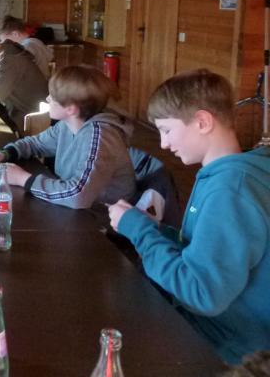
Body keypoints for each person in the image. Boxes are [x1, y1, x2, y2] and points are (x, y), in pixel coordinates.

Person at [107, 69, 270, 364]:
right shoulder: (230, 173)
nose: (163, 144)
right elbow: (206, 250)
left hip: (230, 351)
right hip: (225, 332)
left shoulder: (229, 190)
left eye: (166, 130)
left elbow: (201, 293)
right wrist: (158, 230)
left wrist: (138, 229)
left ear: (203, 122)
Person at [0, 65, 135, 209]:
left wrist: (23, 179)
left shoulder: (100, 136)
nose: (47, 99)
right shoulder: (67, 124)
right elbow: (35, 144)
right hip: (76, 209)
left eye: (53, 97)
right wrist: (2, 155)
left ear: (71, 109)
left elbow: (78, 196)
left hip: (104, 218)